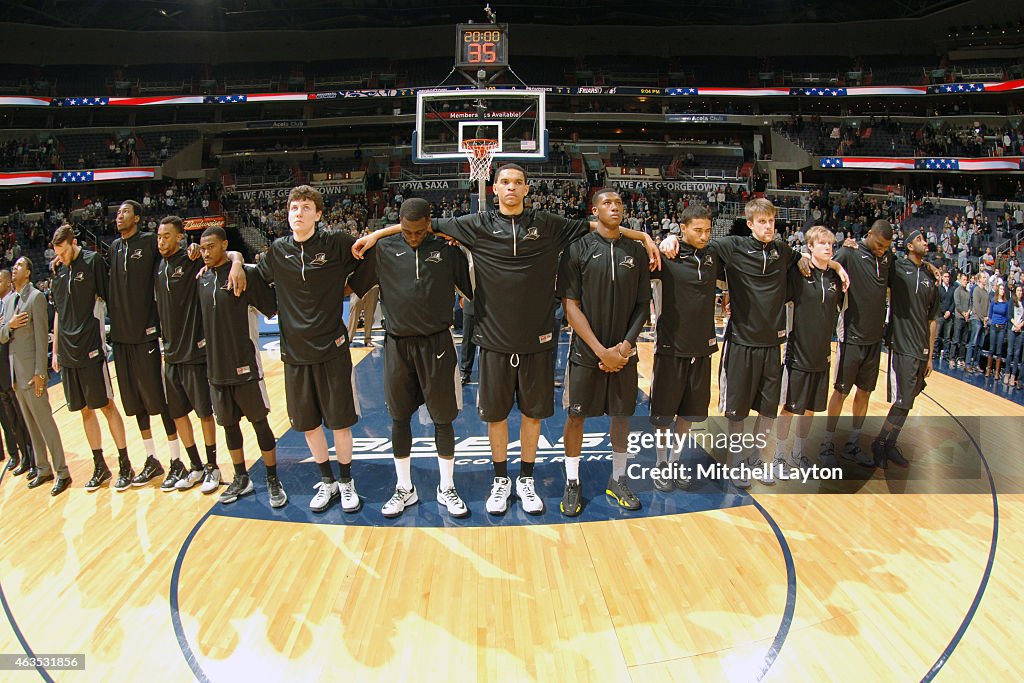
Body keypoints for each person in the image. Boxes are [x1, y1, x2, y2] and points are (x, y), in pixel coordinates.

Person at [354, 164, 660, 515]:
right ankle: (501, 480)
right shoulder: (476, 225)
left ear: (527, 189)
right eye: (504, 183)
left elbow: (603, 226)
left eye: (517, 182)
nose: (511, 187)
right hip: (493, 338)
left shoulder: (548, 224)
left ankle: (526, 480)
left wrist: (643, 237)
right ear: (494, 189)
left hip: (539, 338)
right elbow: (422, 224)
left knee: (533, 416)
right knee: (495, 416)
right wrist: (378, 235)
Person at [660, 198, 848, 487]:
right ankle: (735, 461)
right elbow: (694, 244)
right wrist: (670, 237)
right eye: (762, 221)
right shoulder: (731, 246)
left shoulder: (784, 252)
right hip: (740, 342)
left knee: (768, 410)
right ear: (750, 224)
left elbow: (813, 258)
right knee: (737, 411)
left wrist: (835, 263)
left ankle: (758, 459)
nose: (768, 226)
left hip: (773, 346)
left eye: (772, 221)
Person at [253, 185, 377, 514]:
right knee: (308, 424)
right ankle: (328, 480)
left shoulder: (335, 243)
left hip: (332, 348)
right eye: (294, 207)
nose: (298, 213)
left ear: (318, 215)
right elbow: (256, 281)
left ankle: (348, 482)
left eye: (306, 207)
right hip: (295, 353)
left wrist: (355, 283)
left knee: (339, 422)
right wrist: (236, 260)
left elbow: (369, 255)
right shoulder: (278, 250)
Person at [373, 198, 473, 518]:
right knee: (399, 418)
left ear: (430, 222)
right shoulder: (384, 249)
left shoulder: (447, 249)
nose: (413, 237)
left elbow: (472, 288)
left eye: (419, 232)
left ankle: (446, 487)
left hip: (438, 344)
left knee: (443, 418)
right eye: (406, 231)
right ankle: (405, 488)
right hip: (397, 345)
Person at [558, 188, 650, 516]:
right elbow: (571, 306)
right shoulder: (577, 249)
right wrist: (601, 350)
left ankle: (618, 478)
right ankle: (572, 481)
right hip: (587, 351)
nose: (614, 207)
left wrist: (623, 347)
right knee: (576, 415)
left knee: (622, 415)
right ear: (594, 211)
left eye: (618, 203)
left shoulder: (636, 253)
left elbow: (643, 305)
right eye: (607, 203)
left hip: (624, 351)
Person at [198, 227, 285, 507]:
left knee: (260, 424)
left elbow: (271, 307)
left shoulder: (244, 274)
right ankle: (241, 477)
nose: (206, 252)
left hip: (245, 366)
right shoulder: (201, 279)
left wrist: (238, 262)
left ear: (224, 245)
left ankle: (273, 479)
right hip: (216, 370)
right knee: (229, 426)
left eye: (211, 246)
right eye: (202, 248)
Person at [50, 225, 133, 490]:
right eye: (57, 253)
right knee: (84, 411)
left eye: (63, 251)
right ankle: (100, 466)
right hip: (68, 351)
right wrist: (55, 350)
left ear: (74, 243)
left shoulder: (93, 261)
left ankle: (125, 464)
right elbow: (58, 314)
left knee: (107, 405)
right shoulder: (58, 272)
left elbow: (108, 297)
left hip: (91, 348)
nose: (61, 256)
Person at [647, 203, 722, 493]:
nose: (704, 236)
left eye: (707, 230)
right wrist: (664, 239)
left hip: (702, 348)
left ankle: (675, 461)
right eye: (698, 230)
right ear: (683, 228)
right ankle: (661, 463)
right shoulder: (666, 257)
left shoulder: (714, 256)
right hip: (670, 347)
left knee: (689, 415)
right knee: (664, 415)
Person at [154, 216, 222, 493]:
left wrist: (198, 252)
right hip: (170, 354)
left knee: (204, 413)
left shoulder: (193, 260)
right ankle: (194, 465)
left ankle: (212, 466)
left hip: (194, 352)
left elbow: (224, 257)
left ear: (180, 237)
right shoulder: (159, 266)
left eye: (167, 236)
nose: (161, 242)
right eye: (159, 237)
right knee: (178, 413)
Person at [819, 220, 894, 467]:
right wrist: (840, 247)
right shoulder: (850, 253)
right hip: (850, 336)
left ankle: (853, 443)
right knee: (841, 391)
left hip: (874, 341)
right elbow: (825, 263)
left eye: (887, 246)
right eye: (879, 244)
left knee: (865, 393)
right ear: (869, 235)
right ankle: (827, 443)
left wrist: (927, 265)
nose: (882, 249)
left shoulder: (886, 258)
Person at [773, 227, 844, 473]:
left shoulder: (835, 279)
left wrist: (837, 266)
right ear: (810, 247)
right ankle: (779, 456)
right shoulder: (799, 272)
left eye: (830, 244)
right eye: (822, 243)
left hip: (822, 355)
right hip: (797, 353)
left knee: (811, 409)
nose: (827, 247)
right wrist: (800, 256)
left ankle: (798, 453)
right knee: (790, 407)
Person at [871, 230, 939, 468]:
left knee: (908, 400)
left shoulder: (930, 278)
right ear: (909, 246)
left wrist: (930, 356)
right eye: (919, 239)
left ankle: (890, 443)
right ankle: (880, 443)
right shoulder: (898, 267)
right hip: (902, 343)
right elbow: (875, 252)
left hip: (921, 349)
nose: (925, 241)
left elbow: (933, 320)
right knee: (903, 399)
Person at [0, 259, 69, 495]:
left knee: (45, 423)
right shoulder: (8, 302)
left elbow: (42, 338)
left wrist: (41, 372)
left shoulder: (36, 298)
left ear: (28, 273)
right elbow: (1, 335)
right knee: (31, 426)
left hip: (32, 373)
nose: (14, 268)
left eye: (19, 266)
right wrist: (9, 326)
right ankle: (43, 468)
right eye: (14, 266)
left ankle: (62, 471)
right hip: (15, 376)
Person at [0, 269, 33, 474]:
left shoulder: (14, 301)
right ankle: (17, 455)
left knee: (20, 414)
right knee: (9, 416)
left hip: (10, 362)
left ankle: (31, 455)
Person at [965, 271, 990, 374]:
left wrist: (987, 318)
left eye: (985, 277)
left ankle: (976, 364)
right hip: (976, 319)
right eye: (983, 277)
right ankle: (967, 364)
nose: (985, 279)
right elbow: (977, 306)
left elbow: (988, 306)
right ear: (979, 279)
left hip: (984, 321)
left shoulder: (986, 292)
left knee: (980, 344)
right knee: (973, 343)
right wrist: (982, 318)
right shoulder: (976, 290)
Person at [949, 272, 971, 369]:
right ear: (960, 280)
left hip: (966, 319)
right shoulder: (957, 291)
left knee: (963, 341)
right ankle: (952, 358)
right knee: (956, 339)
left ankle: (961, 358)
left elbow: (971, 304)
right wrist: (964, 313)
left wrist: (968, 313)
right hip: (959, 318)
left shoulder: (968, 292)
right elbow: (957, 305)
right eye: (964, 280)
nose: (965, 281)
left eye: (966, 280)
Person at [988, 282, 1009, 380]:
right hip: (993, 326)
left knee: (999, 350)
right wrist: (992, 322)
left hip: (1002, 327)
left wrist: (1003, 324)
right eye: (1000, 289)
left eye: (1003, 289)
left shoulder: (1006, 303)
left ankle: (997, 371)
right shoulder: (993, 301)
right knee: (991, 348)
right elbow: (991, 314)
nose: (1002, 291)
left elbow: (1007, 316)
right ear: (997, 290)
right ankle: (988, 369)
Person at [935, 270, 955, 361]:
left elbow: (953, 302)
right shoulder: (939, 288)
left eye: (948, 277)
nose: (947, 278)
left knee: (947, 337)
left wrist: (949, 311)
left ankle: (946, 355)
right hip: (939, 314)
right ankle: (935, 352)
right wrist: (944, 311)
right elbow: (937, 302)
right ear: (942, 278)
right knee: (937, 335)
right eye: (945, 277)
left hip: (949, 316)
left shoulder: (952, 288)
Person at [1007, 284, 1024, 388]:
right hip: (1012, 329)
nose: (1020, 293)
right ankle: (1007, 373)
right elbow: (1009, 315)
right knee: (1009, 352)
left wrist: (1020, 326)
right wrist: (1015, 325)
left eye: (1021, 291)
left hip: (1020, 330)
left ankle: (1013, 375)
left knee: (1017, 354)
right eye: (1018, 291)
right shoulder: (1011, 302)